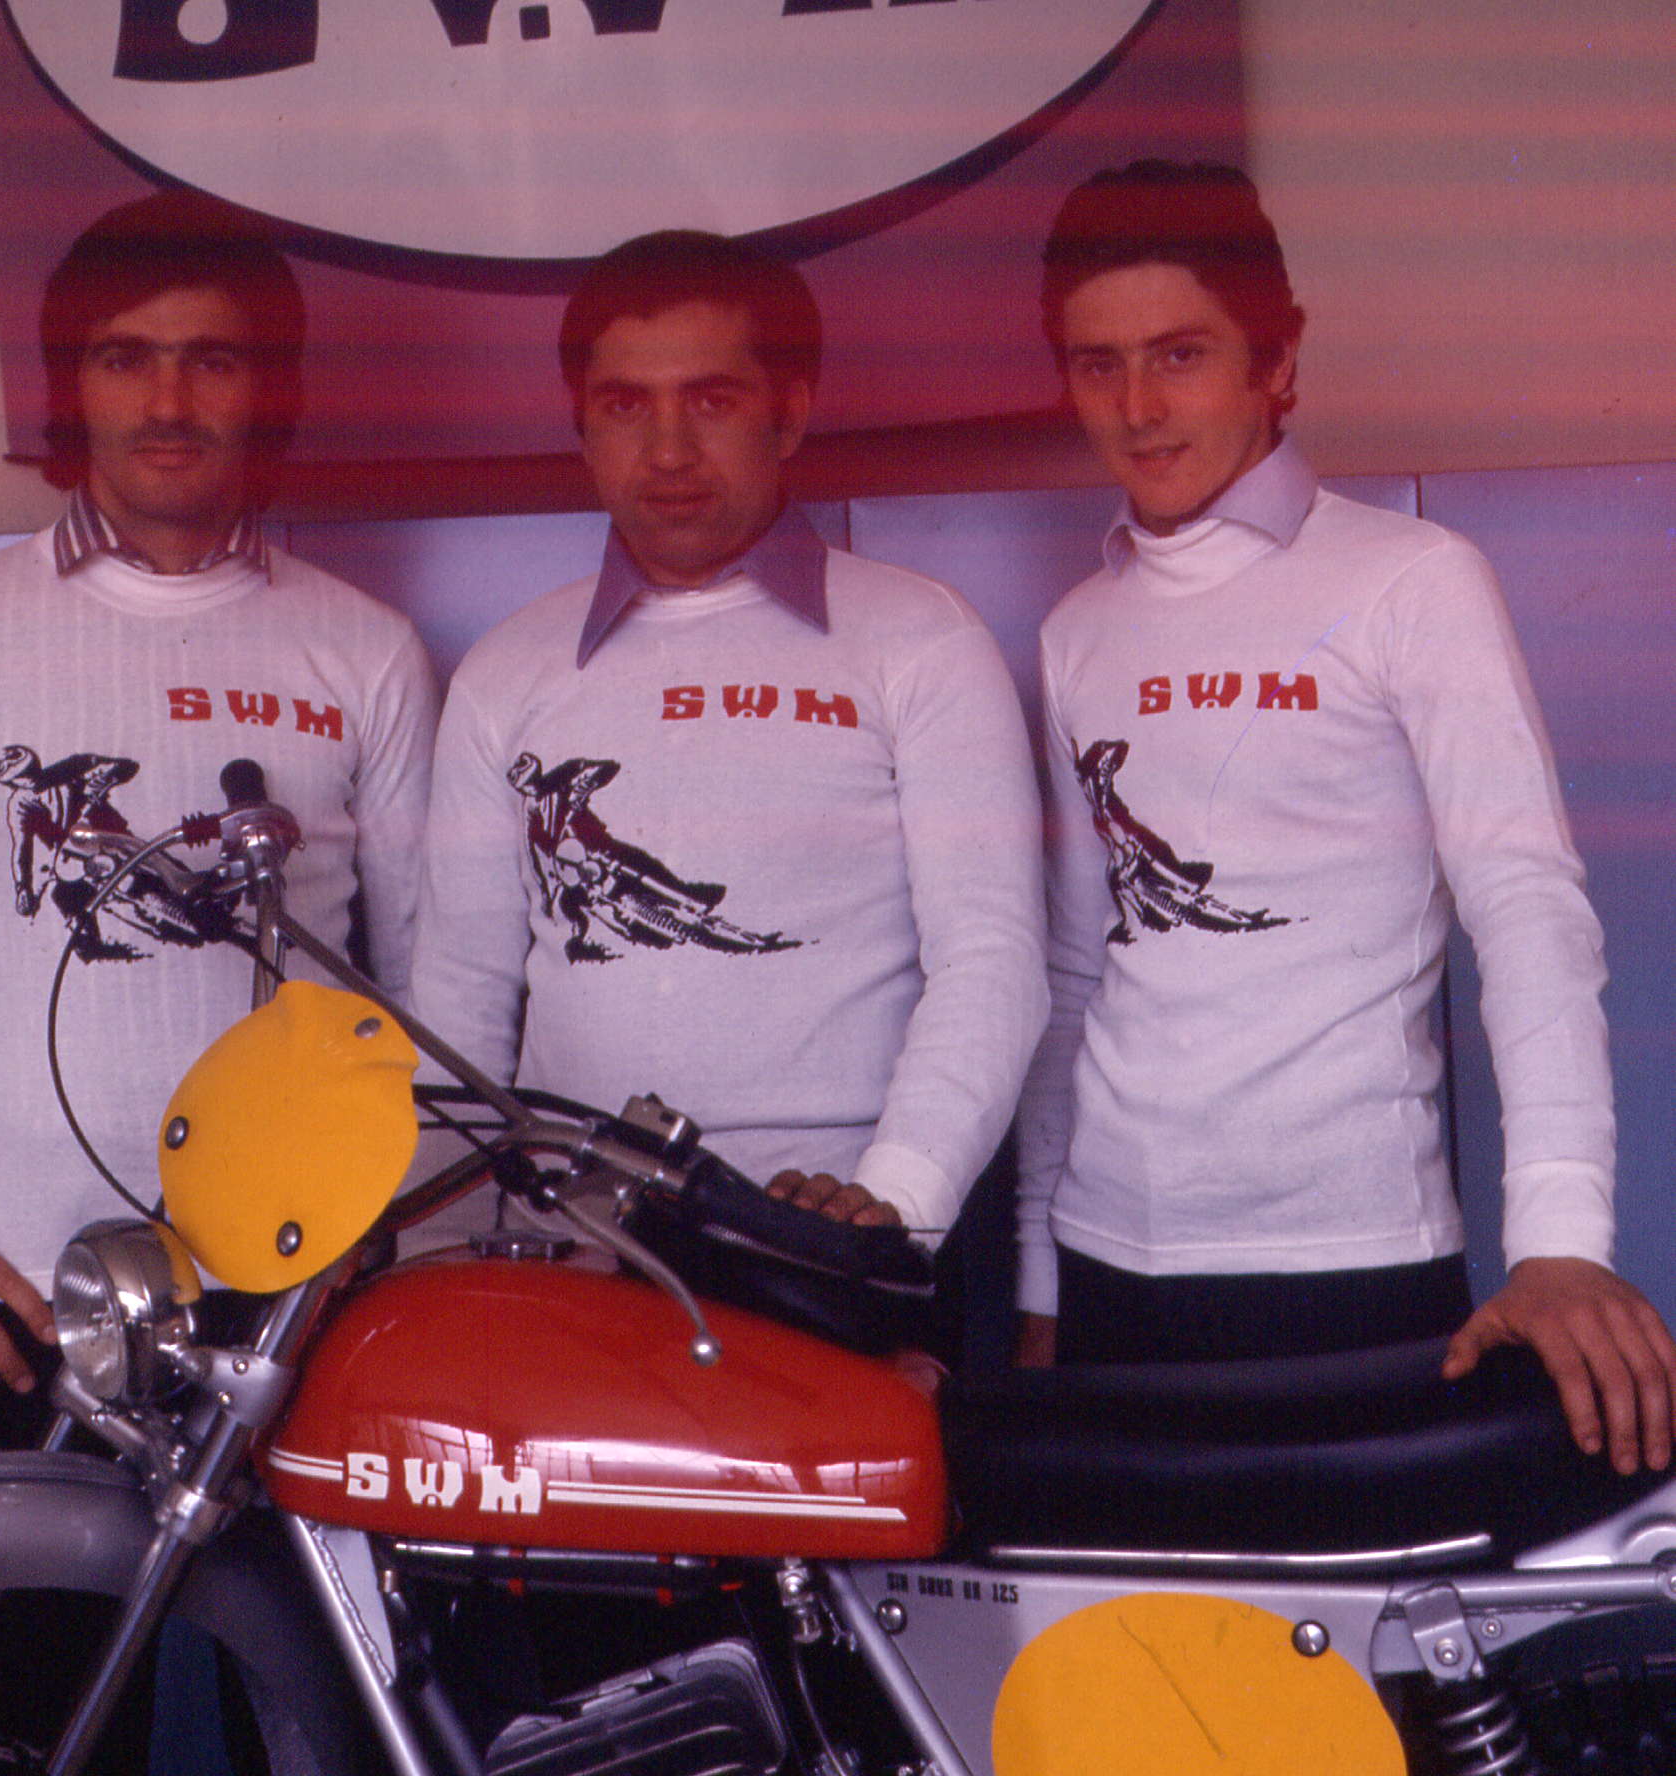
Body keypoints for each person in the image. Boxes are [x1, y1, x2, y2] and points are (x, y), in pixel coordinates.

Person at [1016, 159, 1676, 1474]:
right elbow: (1080, 974)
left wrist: (1559, 1244)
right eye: (1099, 365)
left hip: (1349, 1265)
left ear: (1276, 360)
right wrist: (1039, 1282)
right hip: (1107, 1270)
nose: (1137, 409)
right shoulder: (1074, 630)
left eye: (1180, 355)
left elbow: (1527, 911)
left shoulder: (1410, 580)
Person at [0, 190, 437, 1430]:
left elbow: (433, 991)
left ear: (268, 389)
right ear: (71, 388)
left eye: (210, 360)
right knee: (23, 1579)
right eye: (125, 359)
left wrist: (413, 1231)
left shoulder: (367, 649)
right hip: (39, 1298)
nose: (167, 404)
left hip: (312, 1296)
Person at [413, 229, 1043, 1244]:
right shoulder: (504, 670)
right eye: (626, 406)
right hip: (569, 1248)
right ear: (580, 425)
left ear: (787, 414)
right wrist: (442, 1251)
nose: (667, 451)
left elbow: (990, 959)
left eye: (710, 401)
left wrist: (893, 1202)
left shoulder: (921, 639)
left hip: (832, 1242)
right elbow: (458, 1005)